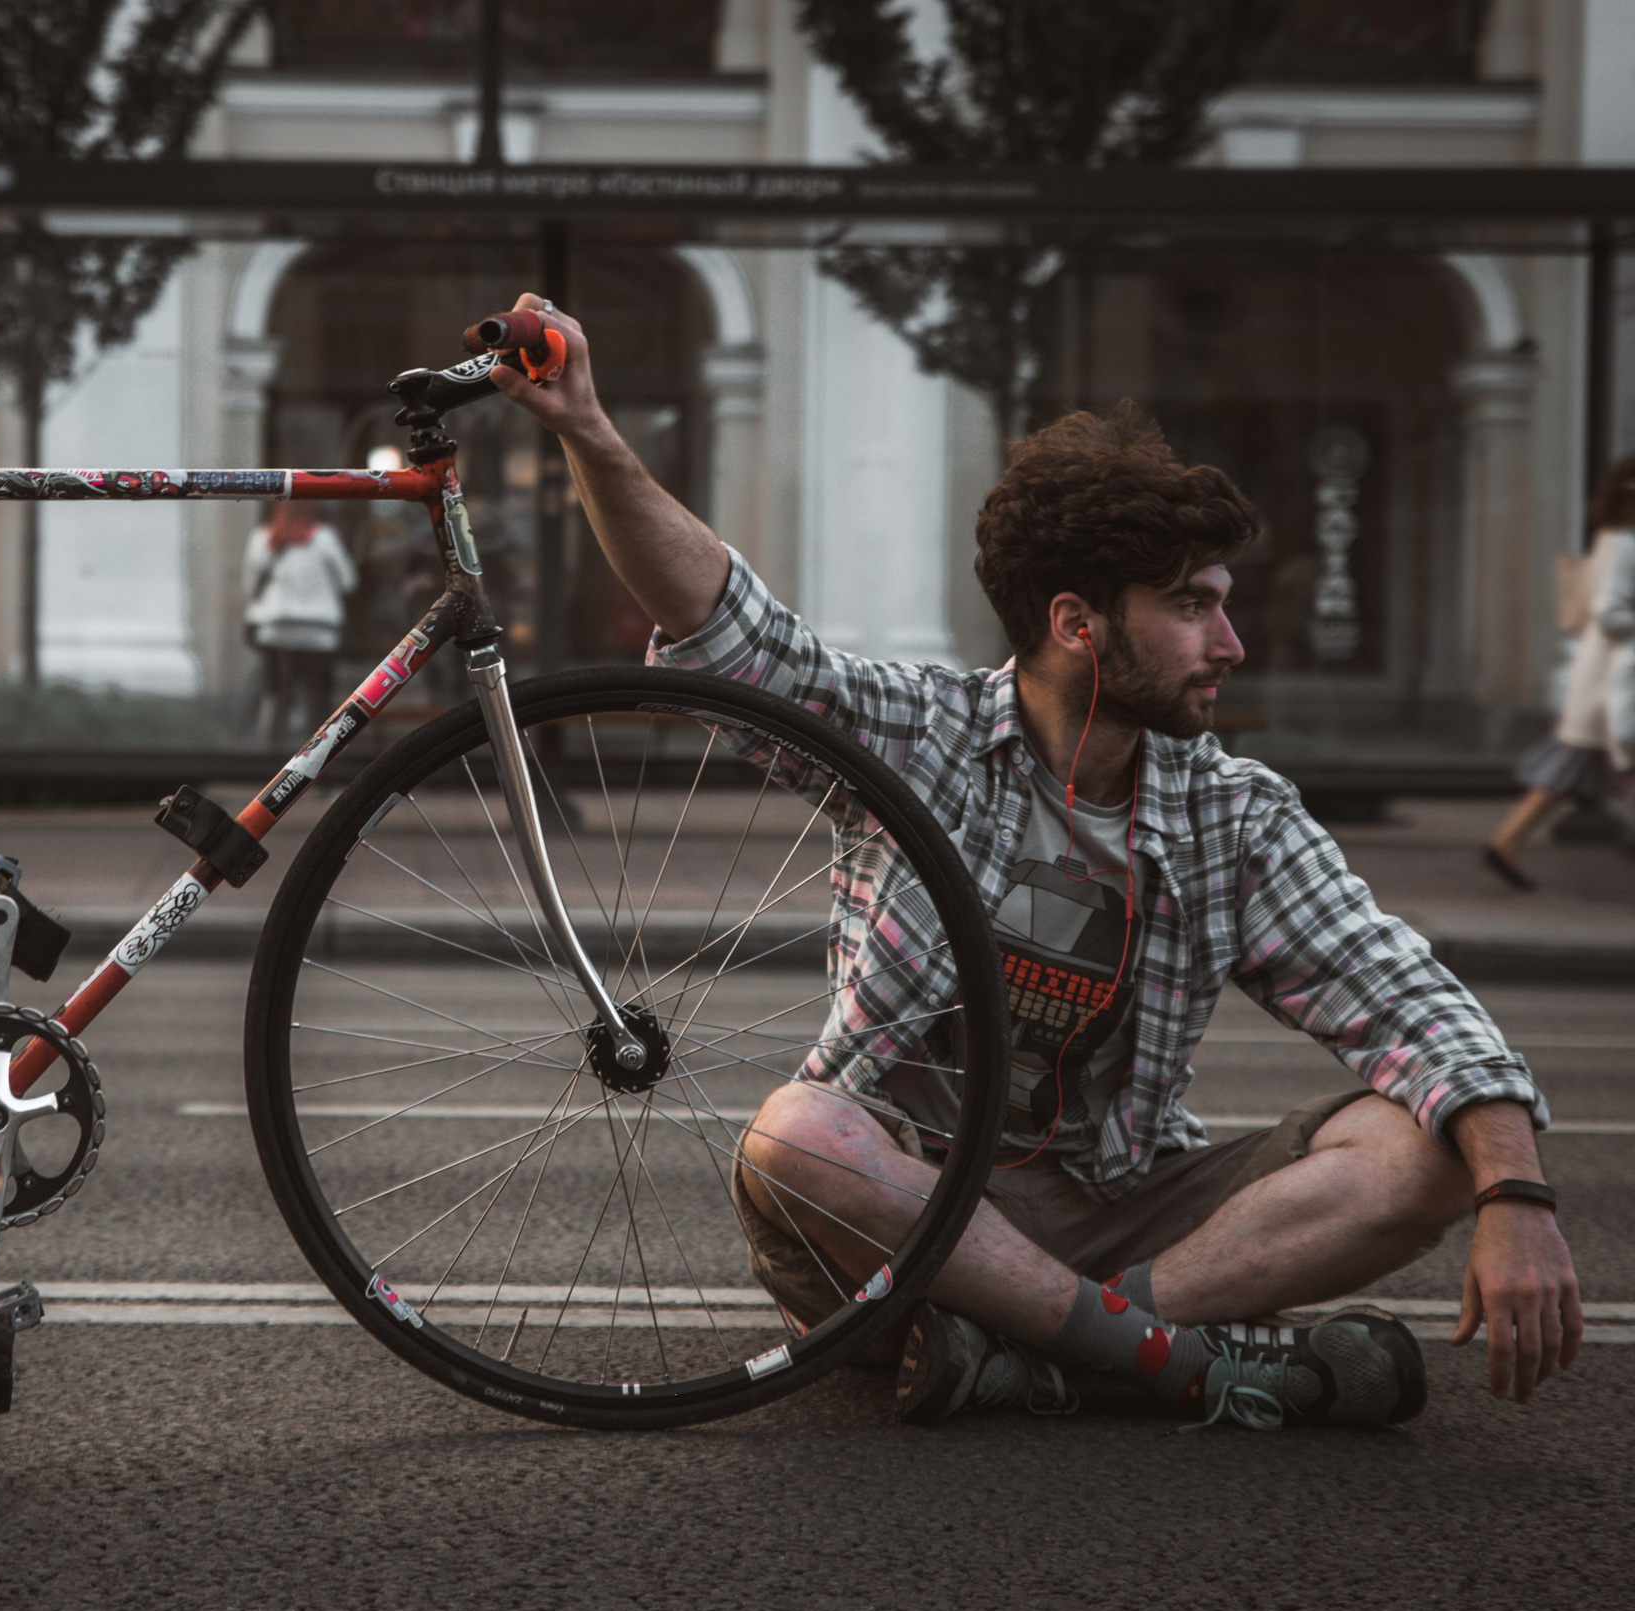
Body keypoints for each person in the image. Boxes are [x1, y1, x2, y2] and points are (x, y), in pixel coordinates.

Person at [489, 293, 1580, 1431]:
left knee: (1428, 1146)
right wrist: (591, 433)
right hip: (908, 1212)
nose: (1230, 643)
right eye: (1192, 606)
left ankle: (1070, 1350)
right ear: (1077, 622)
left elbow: (1405, 998)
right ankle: (1169, 1359)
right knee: (797, 1134)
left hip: (1125, 1203)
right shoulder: (920, 734)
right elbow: (731, 634)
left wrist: (1515, 1192)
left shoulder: (1233, 813)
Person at [1483, 453, 1635, 887]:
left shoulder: (1616, 539)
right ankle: (1505, 841)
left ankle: (1506, 841)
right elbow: (1610, 611)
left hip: (1607, 678)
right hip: (1612, 680)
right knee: (1566, 767)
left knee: (1566, 769)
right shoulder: (1623, 543)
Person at [242, 500, 356, 742]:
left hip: (275, 629)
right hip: (319, 632)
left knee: (278, 695)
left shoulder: (262, 539)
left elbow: (250, 588)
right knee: (318, 699)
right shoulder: (325, 539)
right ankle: (319, 756)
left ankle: (273, 753)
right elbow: (348, 581)